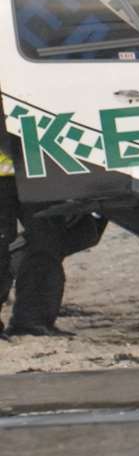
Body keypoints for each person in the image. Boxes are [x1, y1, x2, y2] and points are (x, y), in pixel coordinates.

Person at [0, 130, 76, 337]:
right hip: (33, 164)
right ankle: (32, 321)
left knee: (47, 242)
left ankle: (33, 323)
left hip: (38, 166)